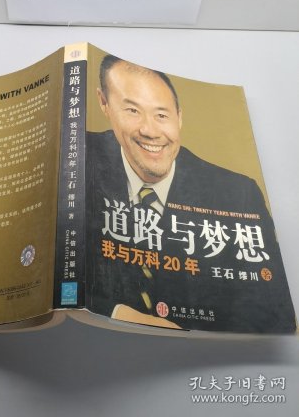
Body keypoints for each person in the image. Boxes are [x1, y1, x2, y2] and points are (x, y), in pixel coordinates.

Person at [86, 55, 296, 333]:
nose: (150, 131)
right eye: (133, 111)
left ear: (179, 117)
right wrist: (115, 311)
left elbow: (275, 313)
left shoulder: (238, 194)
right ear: (104, 103)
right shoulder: (77, 159)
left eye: (162, 115)